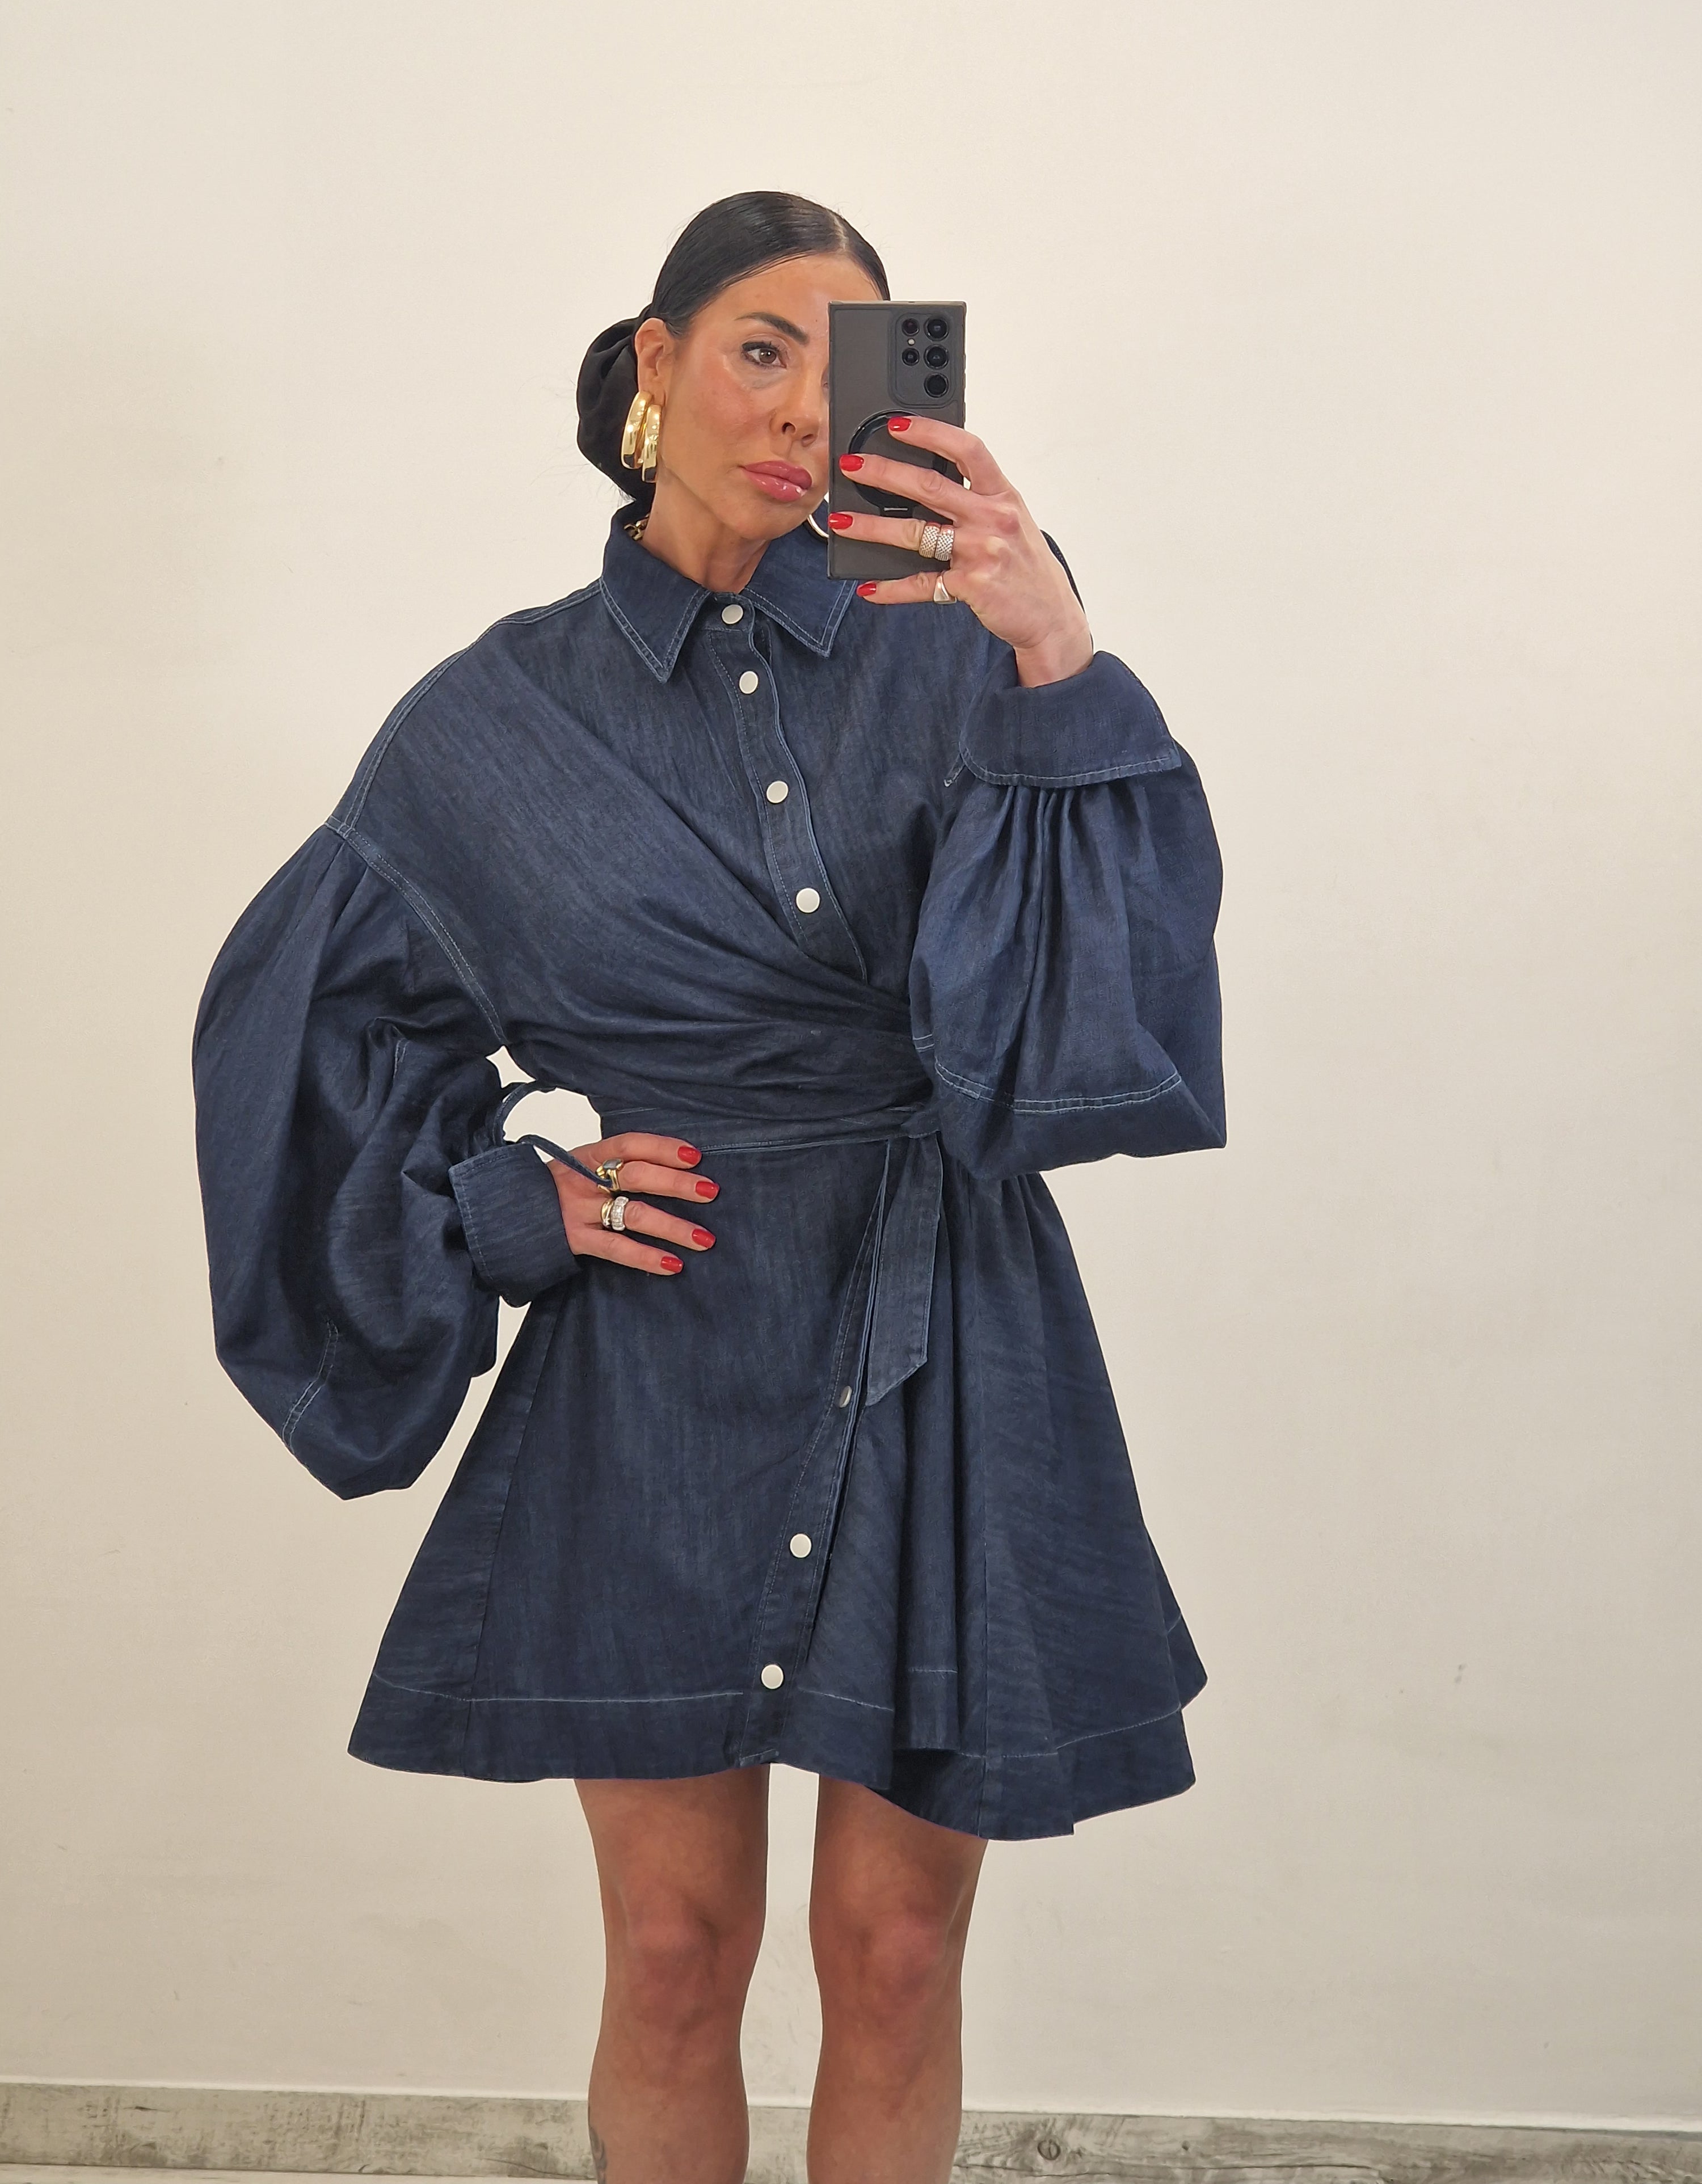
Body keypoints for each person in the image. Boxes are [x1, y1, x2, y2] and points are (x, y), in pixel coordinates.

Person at [192, 189, 1226, 2184]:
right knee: (675, 1952)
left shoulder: (965, 649)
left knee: (897, 1950)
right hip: (662, 1350)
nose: (804, 413)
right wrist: (514, 1205)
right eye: (761, 350)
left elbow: (1098, 1031)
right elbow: (295, 1047)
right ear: (658, 362)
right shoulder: (493, 719)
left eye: (848, 371)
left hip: (948, 1327)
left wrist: (1056, 647)